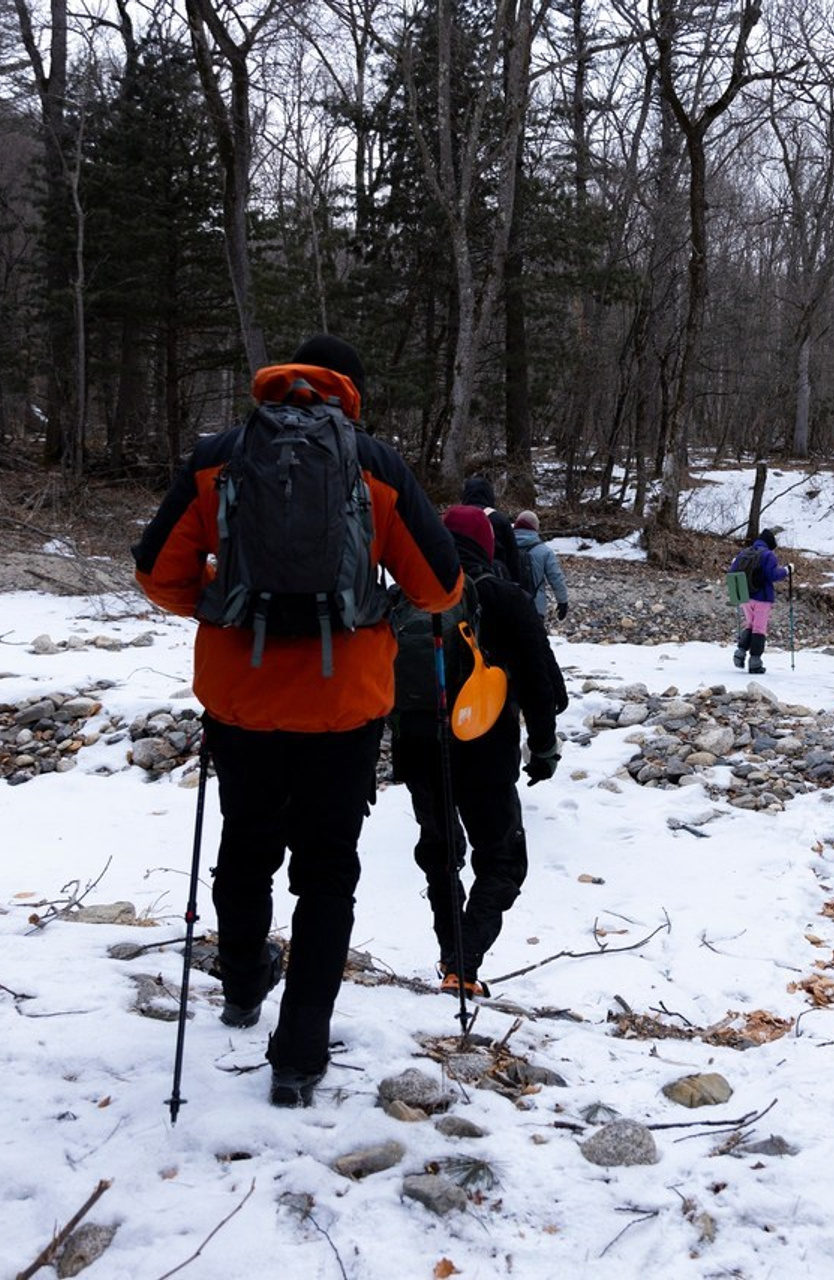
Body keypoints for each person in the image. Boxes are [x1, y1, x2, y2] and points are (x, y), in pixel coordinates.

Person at [132, 335, 463, 1108]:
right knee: (327, 871)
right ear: (350, 390)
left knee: (246, 845)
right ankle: (301, 1048)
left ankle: (243, 986)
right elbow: (444, 585)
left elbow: (156, 574)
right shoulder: (375, 464)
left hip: (240, 699)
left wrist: (227, 611)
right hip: (342, 707)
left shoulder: (220, 456)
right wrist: (373, 607)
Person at [391, 504, 563, 998]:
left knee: (441, 857)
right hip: (486, 750)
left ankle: (452, 960)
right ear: (487, 545)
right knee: (503, 859)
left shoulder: (405, 597)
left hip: (419, 748)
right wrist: (544, 748)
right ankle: (462, 965)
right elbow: (537, 682)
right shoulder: (504, 596)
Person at [729, 529, 791, 674]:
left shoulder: (744, 552)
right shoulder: (768, 555)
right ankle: (755, 663)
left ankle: (740, 653)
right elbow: (773, 575)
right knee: (759, 629)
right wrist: (787, 570)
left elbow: (732, 571)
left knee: (749, 625)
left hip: (745, 596)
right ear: (770, 544)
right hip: (762, 598)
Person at [461, 475, 522, 584]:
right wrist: (516, 582)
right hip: (495, 578)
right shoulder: (498, 519)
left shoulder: (455, 518)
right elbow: (512, 555)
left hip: (462, 579)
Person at [512, 509, 570, 624]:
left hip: (508, 606)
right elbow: (556, 578)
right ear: (535, 528)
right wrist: (562, 602)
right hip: (535, 607)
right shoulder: (544, 551)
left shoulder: (505, 546)